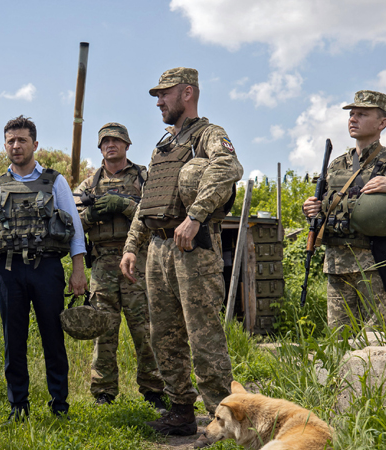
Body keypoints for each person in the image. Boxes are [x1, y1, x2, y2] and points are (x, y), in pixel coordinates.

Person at [120, 68, 242, 437]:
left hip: (193, 248)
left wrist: (194, 216)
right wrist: (131, 246)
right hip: (157, 249)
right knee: (164, 334)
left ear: (187, 93)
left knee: (203, 334)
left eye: (165, 94)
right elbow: (148, 200)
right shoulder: (163, 145)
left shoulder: (209, 135)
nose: (158, 101)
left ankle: (225, 421)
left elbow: (228, 169)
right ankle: (180, 410)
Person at [0, 115, 87, 421]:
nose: (16, 145)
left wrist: (78, 271)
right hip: (9, 271)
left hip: (47, 269)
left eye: (22, 140)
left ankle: (60, 406)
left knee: (53, 337)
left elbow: (75, 229)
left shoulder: (55, 181)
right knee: (14, 341)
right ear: (5, 145)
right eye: (10, 140)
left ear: (35, 144)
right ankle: (18, 406)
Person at [302, 90, 386, 329]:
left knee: (378, 343)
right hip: (337, 266)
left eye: (362, 114)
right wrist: (314, 210)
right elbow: (333, 211)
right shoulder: (337, 164)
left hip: (378, 267)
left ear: (382, 122)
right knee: (338, 342)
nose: (353, 119)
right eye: (352, 114)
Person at [72, 123, 165, 411]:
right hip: (102, 263)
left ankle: (154, 391)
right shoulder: (88, 185)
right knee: (104, 329)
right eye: (105, 142)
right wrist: (92, 213)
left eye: (116, 140)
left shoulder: (144, 177)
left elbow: (157, 211)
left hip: (138, 259)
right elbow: (73, 224)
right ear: (100, 148)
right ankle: (103, 392)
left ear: (127, 144)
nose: (110, 145)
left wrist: (123, 205)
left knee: (145, 328)